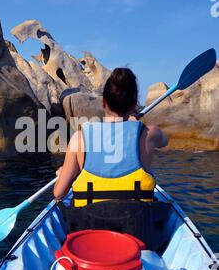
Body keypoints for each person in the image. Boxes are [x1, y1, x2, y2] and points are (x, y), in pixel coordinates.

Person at [54, 68, 168, 204]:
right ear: (133, 105)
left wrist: (61, 176)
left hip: (89, 223)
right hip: (136, 222)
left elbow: (59, 194)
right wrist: (135, 126)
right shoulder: (150, 133)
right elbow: (164, 141)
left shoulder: (79, 138)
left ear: (103, 103)